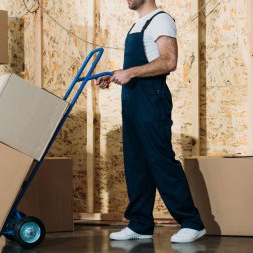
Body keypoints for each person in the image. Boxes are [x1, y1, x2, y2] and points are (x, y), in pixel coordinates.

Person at [96, 0, 206, 243]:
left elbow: (169, 61)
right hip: (132, 102)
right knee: (136, 163)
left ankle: (192, 222)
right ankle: (140, 224)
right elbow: (137, 66)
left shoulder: (161, 20)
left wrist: (131, 72)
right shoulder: (137, 25)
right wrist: (115, 75)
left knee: (159, 160)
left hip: (151, 100)